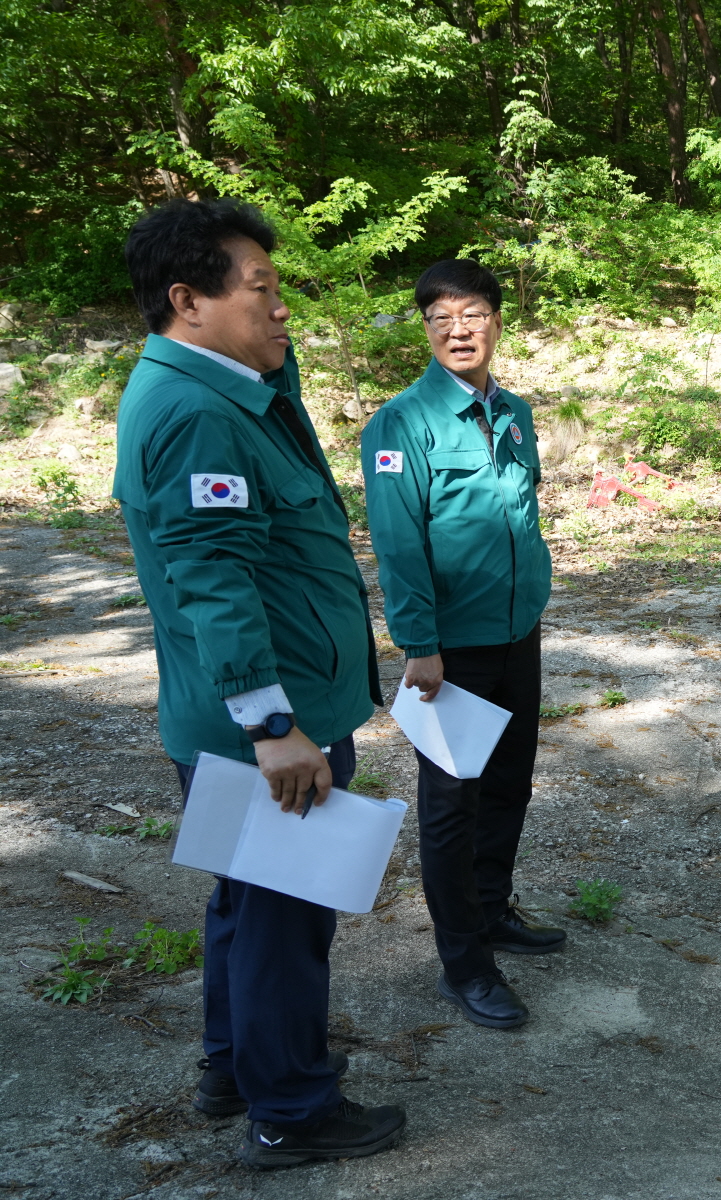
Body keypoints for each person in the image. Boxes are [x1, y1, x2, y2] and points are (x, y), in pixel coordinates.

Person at [114, 199, 404, 1167]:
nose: (283, 311)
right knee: (285, 918)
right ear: (187, 301)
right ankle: (291, 1111)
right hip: (268, 725)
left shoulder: (227, 385)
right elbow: (213, 580)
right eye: (262, 291)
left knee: (248, 902)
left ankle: (233, 1068)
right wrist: (273, 725)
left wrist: (271, 356)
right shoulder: (197, 412)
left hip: (251, 715)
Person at [361, 260, 559, 1031]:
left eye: (471, 313)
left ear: (496, 321)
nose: (457, 329)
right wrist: (419, 643)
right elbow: (398, 543)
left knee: (509, 783)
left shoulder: (514, 411)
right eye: (440, 317)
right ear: (425, 329)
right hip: (451, 650)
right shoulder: (401, 423)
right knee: (452, 803)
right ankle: (463, 963)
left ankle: (492, 909)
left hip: (516, 633)